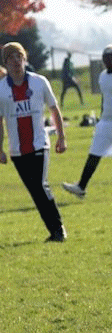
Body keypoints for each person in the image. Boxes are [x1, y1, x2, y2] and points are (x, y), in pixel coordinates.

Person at [0, 41, 68, 241]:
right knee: (35, 191)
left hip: (40, 145)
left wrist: (61, 137)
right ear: (5, 63)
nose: (16, 61)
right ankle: (54, 231)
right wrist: (0, 149)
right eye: (11, 58)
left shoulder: (39, 82)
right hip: (17, 150)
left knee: (40, 186)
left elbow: (54, 109)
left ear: (25, 59)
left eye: (19, 57)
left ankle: (59, 230)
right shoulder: (1, 89)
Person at [62, 44, 112, 199]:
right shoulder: (102, 76)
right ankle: (81, 187)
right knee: (94, 153)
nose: (109, 60)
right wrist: (101, 118)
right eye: (106, 57)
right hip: (105, 122)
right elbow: (105, 99)